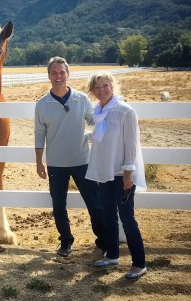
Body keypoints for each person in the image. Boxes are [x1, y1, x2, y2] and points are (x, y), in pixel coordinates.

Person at [35, 56, 105, 257]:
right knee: (58, 205)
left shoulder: (81, 99)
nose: (58, 76)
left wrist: (114, 112)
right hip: (56, 164)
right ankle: (65, 241)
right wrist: (39, 162)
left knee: (94, 203)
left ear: (68, 74)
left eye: (62, 72)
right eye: (54, 73)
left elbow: (94, 120)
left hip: (82, 160)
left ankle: (102, 239)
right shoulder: (42, 104)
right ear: (49, 76)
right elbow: (40, 134)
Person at [85, 71, 147, 279]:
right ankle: (112, 255)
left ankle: (139, 263)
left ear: (112, 86)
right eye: (97, 87)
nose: (101, 90)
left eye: (105, 86)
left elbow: (131, 145)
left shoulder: (125, 111)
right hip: (105, 173)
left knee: (128, 219)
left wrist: (129, 174)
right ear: (93, 91)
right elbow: (103, 140)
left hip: (122, 174)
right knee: (108, 216)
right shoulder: (99, 111)